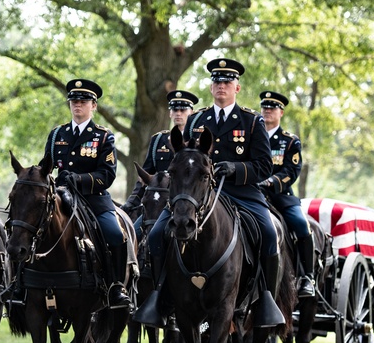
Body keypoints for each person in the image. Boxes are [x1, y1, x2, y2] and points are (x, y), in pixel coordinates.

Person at [136, 57, 283, 328]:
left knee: (269, 233)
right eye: (217, 81)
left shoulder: (252, 122)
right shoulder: (197, 120)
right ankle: (159, 297)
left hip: (242, 193)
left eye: (227, 82)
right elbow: (183, 159)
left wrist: (235, 168)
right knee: (157, 234)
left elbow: (263, 165)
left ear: (236, 88)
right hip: (199, 195)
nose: (221, 86)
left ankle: (265, 300)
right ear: (211, 86)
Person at [43, 78, 129, 309]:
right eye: (74, 101)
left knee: (114, 234)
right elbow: (45, 167)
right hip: (61, 198)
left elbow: (107, 175)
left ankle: (116, 286)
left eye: (83, 101)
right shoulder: (56, 135)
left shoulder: (103, 136)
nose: (77, 105)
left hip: (93, 200)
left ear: (94, 106)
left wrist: (79, 180)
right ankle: (22, 286)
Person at [255, 90, 315, 297]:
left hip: (280, 195)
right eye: (264, 107)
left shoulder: (290, 141)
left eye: (272, 108)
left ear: (281, 112)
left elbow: (292, 171)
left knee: (300, 224)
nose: (267, 111)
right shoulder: (252, 135)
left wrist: (272, 181)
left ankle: (307, 276)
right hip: (252, 193)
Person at [121, 89, 198, 230]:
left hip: (184, 204)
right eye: (174, 110)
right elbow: (145, 176)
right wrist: (131, 202)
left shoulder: (196, 142)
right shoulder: (158, 140)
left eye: (182, 109)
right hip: (156, 205)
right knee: (135, 235)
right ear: (170, 113)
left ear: (191, 112)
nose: (178, 113)